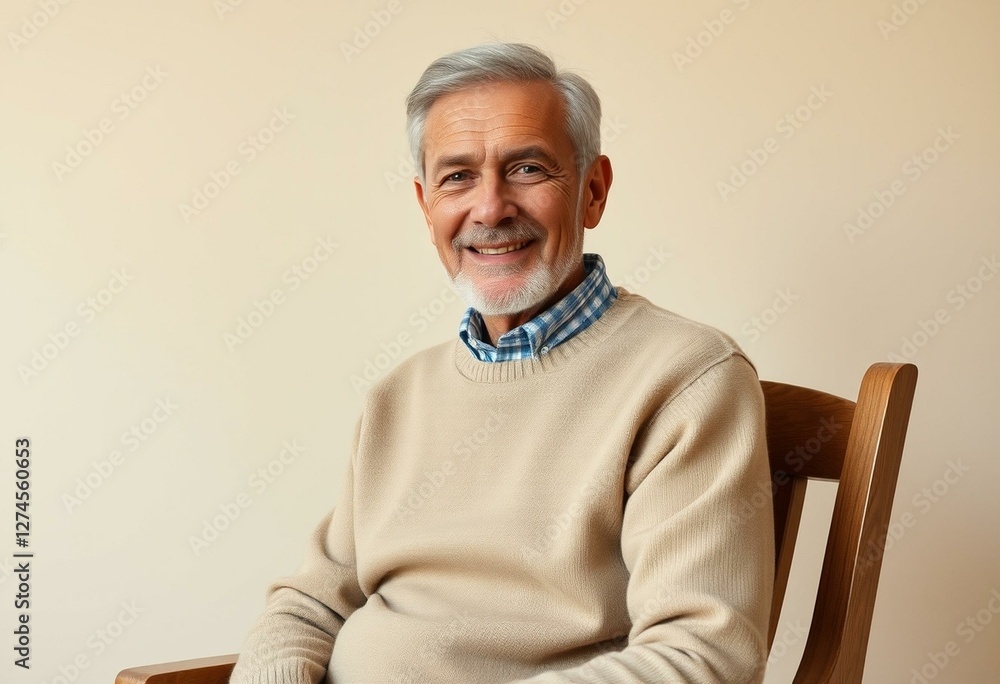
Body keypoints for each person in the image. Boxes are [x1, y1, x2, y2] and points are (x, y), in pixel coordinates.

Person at [230, 42, 774, 684]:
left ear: (593, 192)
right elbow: (308, 606)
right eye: (457, 176)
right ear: (425, 205)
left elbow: (702, 658)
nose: (490, 208)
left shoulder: (687, 380)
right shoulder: (397, 398)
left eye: (527, 169)